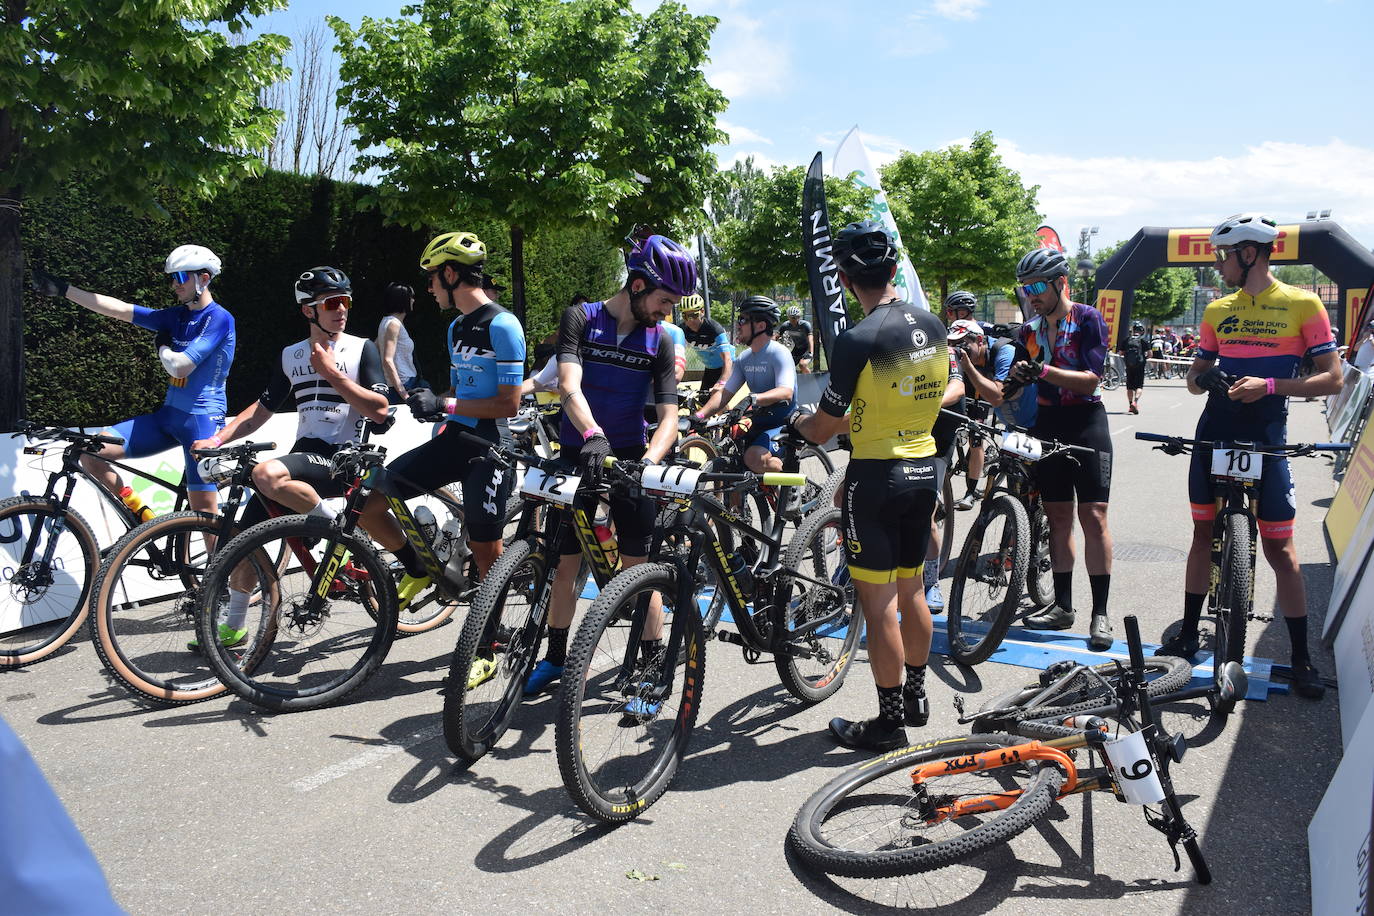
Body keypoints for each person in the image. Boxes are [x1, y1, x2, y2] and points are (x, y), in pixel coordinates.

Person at [1160, 213, 1342, 699]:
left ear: (1249, 253)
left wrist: (1272, 385)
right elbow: (1192, 378)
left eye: (1224, 256)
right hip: (1214, 432)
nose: (1219, 266)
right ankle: (1188, 631)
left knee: (1280, 549)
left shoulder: (1303, 304)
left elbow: (1334, 378)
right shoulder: (1218, 309)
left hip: (1266, 434)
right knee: (1202, 534)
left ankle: (1300, 655)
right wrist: (1207, 378)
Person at [790, 219, 948, 752]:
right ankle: (918, 695)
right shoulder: (932, 324)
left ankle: (888, 722)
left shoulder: (858, 338)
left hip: (877, 475)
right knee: (914, 590)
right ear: (893, 267)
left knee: (879, 604)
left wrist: (798, 424)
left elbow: (826, 426)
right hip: (924, 468)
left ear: (843, 276)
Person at [524, 233, 693, 696]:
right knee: (564, 563)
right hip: (581, 449)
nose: (668, 311)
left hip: (631, 458)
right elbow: (568, 384)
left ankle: (651, 663)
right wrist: (593, 435)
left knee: (638, 566)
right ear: (638, 286)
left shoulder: (659, 340)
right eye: (664, 300)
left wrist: (648, 462)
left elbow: (669, 417)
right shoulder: (581, 318)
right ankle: (556, 657)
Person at [191, 266, 390, 647]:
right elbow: (262, 409)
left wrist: (333, 375)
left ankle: (332, 527)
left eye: (346, 302)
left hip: (343, 458)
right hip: (306, 457)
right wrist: (218, 438)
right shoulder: (290, 355)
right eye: (332, 303)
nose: (342, 310)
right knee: (241, 541)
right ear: (308, 311)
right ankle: (233, 628)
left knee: (267, 475)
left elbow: (380, 408)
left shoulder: (361, 348)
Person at [357, 231, 525, 614]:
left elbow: (509, 404)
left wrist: (445, 403)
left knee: (487, 557)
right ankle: (418, 563)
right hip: (455, 439)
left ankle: (489, 644)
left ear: (450, 274)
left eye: (431, 278)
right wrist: (434, 404)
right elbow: (460, 388)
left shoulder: (503, 326)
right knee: (370, 502)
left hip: (489, 448)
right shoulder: (457, 327)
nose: (429, 288)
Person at [30, 246, 234, 517]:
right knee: (93, 453)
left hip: (203, 422)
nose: (174, 284)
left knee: (205, 515)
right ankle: (145, 519)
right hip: (168, 417)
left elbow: (180, 367)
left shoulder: (219, 318)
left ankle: (227, 559)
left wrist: (161, 346)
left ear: (204, 278)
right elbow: (120, 310)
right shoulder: (176, 316)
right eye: (172, 277)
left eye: (181, 277)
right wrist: (65, 290)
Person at [1008, 246, 1116, 652]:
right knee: (1057, 517)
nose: (1031, 295)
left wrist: (1044, 371)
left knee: (1094, 517)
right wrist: (1016, 377)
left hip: (1086, 423)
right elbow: (1020, 378)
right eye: (1025, 289)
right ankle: (1063, 606)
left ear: (1059, 283)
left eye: (1037, 286)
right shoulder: (1029, 330)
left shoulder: (1087, 318)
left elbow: (1090, 379)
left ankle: (1100, 613)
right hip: (1047, 424)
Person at [693, 296, 796, 474]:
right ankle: (737, 503)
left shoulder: (779, 353)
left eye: (742, 320)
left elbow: (786, 392)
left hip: (782, 422)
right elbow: (724, 393)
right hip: (758, 421)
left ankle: (789, 488)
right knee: (733, 466)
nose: (738, 324)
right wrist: (698, 416)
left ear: (761, 326)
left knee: (753, 458)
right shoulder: (744, 358)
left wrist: (752, 398)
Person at [376, 282, 425, 403]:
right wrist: (404, 394)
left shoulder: (386, 322)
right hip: (403, 385)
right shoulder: (394, 324)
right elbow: (387, 360)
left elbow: (374, 347)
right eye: (411, 297)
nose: (413, 300)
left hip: (402, 384)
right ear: (403, 300)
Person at [679, 294, 733, 394]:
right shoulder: (682, 330)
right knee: (703, 400)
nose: (690, 320)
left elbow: (727, 359)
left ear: (702, 312)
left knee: (717, 398)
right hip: (710, 368)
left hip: (727, 366)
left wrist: (722, 383)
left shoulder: (714, 328)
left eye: (694, 315)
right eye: (685, 316)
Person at [776, 304, 814, 373]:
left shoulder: (805, 325)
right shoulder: (785, 325)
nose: (794, 319)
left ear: (799, 317)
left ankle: (811, 380)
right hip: (797, 350)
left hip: (806, 350)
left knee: (802, 365)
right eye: (791, 317)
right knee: (786, 366)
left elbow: (810, 338)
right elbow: (776, 336)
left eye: (796, 317)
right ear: (788, 317)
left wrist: (811, 352)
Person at [1122, 320, 1150, 414]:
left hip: (1129, 366)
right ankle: (1135, 402)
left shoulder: (1127, 340)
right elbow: (1150, 354)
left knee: (1129, 386)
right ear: (1142, 331)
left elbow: (1121, 352)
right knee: (1139, 386)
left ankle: (1130, 404)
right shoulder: (1143, 340)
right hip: (1140, 366)